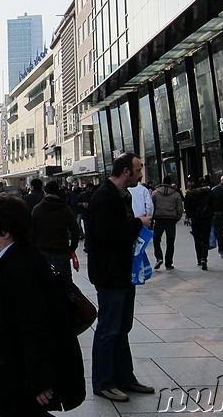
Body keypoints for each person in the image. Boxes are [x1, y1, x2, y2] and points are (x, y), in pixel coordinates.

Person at [0, 194, 86, 416]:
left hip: (19, 375)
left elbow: (35, 325)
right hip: (15, 371)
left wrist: (40, 379)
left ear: (6, 231)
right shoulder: (18, 258)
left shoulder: (21, 268)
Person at [87, 153, 154, 403]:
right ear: (125, 171)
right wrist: (138, 222)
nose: (140, 174)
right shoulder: (105, 197)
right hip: (110, 273)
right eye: (138, 170)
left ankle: (124, 377)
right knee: (109, 327)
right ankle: (104, 382)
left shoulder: (119, 195)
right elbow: (109, 235)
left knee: (122, 327)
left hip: (123, 271)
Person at [31, 180, 80, 281]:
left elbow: (32, 231)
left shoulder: (37, 209)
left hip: (42, 250)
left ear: (45, 192)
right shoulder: (65, 209)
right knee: (65, 284)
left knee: (44, 282)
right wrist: (72, 248)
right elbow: (75, 231)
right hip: (61, 250)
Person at [151, 175, 184, 270]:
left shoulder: (155, 193)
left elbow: (151, 206)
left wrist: (153, 217)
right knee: (170, 241)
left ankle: (159, 258)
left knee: (156, 239)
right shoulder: (176, 194)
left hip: (159, 219)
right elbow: (180, 209)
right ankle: (169, 263)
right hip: (170, 220)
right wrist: (176, 218)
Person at [185, 178, 214, 270]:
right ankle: (204, 257)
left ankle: (199, 258)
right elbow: (212, 204)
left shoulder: (190, 194)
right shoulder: (208, 193)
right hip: (206, 218)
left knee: (197, 239)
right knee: (205, 238)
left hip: (195, 218)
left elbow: (187, 207)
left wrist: (189, 215)